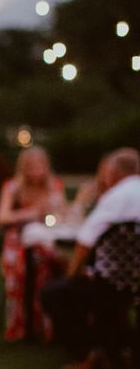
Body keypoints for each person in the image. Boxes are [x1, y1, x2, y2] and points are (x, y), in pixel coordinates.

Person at [41, 148, 140, 366]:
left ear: (113, 173)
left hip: (111, 283)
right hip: (136, 282)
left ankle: (88, 352)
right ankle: (120, 346)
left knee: (54, 294)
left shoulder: (116, 197)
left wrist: (72, 275)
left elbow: (84, 243)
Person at [0, 145, 67, 341]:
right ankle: (23, 324)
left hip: (46, 237)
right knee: (27, 265)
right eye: (31, 167)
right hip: (18, 239)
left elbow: (63, 215)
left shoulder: (54, 186)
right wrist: (31, 213)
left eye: (40, 166)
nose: (36, 171)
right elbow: (2, 217)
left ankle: (49, 326)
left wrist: (54, 209)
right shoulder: (13, 187)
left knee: (48, 261)